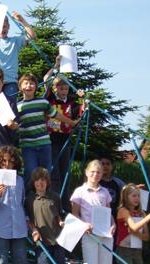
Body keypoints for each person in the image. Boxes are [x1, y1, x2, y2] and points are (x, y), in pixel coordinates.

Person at [17, 73, 78, 188]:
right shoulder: (18, 106)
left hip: (44, 144)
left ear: (35, 86)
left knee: (46, 174)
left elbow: (56, 115)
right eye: (25, 83)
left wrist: (72, 122)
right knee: (30, 173)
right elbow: (14, 123)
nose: (29, 86)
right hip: (28, 146)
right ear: (20, 87)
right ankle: (29, 201)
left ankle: (46, 200)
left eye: (32, 83)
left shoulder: (42, 102)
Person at [43, 55, 85, 211]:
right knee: (54, 172)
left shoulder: (71, 103)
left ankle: (65, 206)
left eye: (66, 88)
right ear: (55, 89)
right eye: (61, 88)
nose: (63, 91)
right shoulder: (49, 99)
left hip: (65, 139)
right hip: (51, 138)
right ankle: (54, 203)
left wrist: (84, 101)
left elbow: (79, 114)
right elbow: (46, 79)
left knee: (65, 172)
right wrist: (56, 66)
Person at [70, 159, 116, 264]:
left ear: (102, 174)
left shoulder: (105, 192)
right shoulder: (79, 191)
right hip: (89, 235)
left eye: (99, 172)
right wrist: (84, 225)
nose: (95, 175)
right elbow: (74, 214)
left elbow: (109, 213)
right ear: (86, 172)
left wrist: (113, 224)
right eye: (93, 172)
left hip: (106, 234)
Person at [25, 167, 65, 264]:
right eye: (37, 180)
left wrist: (61, 222)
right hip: (42, 243)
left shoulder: (55, 197)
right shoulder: (29, 199)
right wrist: (33, 230)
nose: (40, 182)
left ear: (47, 182)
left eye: (43, 180)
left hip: (58, 242)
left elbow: (59, 214)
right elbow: (28, 219)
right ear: (33, 182)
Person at [0, 11, 35, 97]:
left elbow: (31, 36)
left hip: (10, 82)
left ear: (8, 27)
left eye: (4, 27)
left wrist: (22, 20)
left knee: (10, 106)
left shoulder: (15, 41)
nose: (2, 29)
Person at [116, 183, 150, 264]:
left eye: (138, 196)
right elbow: (134, 227)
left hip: (137, 251)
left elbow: (146, 237)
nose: (137, 198)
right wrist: (149, 216)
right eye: (134, 196)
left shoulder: (141, 214)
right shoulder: (123, 211)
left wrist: (137, 234)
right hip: (124, 251)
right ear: (126, 197)